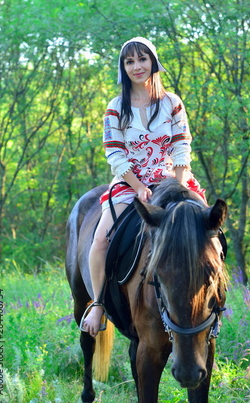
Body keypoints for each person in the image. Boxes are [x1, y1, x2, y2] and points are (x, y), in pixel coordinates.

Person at [80, 36, 207, 337]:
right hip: (130, 182)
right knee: (100, 240)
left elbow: (181, 147)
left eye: (142, 59)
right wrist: (137, 187)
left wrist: (176, 186)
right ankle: (98, 305)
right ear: (123, 68)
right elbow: (115, 154)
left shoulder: (172, 102)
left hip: (173, 178)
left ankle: (212, 300)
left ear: (153, 61)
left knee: (209, 230)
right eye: (130, 61)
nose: (137, 66)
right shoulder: (116, 107)